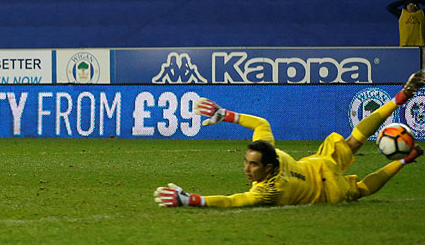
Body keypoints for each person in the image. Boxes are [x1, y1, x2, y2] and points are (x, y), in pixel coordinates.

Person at [155, 71, 425, 208]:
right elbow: (261, 123)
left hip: (328, 192)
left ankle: (405, 161)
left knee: (362, 189)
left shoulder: (269, 192)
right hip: (317, 164)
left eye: (253, 165)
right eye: (247, 162)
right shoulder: (270, 151)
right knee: (354, 141)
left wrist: (192, 200)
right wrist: (225, 115)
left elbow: (232, 201)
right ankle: (399, 99)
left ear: (269, 168)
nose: (247, 169)